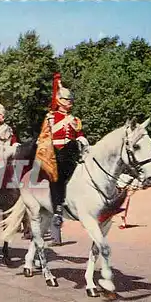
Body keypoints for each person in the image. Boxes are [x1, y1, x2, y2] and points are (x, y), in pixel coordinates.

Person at [37, 73, 89, 246]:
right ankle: (58, 206)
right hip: (55, 154)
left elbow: (79, 135)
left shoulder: (74, 120)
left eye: (71, 101)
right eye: (68, 100)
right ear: (60, 100)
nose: (70, 103)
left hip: (71, 153)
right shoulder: (50, 118)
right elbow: (44, 138)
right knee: (56, 173)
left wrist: (82, 141)